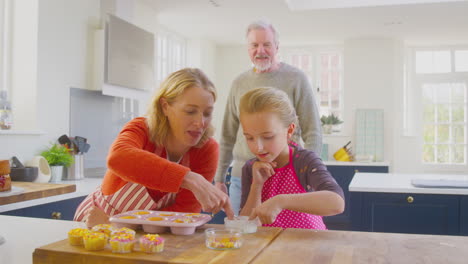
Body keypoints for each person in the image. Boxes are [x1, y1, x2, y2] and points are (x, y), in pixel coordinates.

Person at [74, 68, 234, 227]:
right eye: (190, 111)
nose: (200, 123)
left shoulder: (206, 150)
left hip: (138, 231)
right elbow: (118, 158)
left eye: (207, 113)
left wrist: (119, 225)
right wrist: (189, 178)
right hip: (95, 221)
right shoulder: (142, 129)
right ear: (165, 106)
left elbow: (183, 215)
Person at [215, 19, 323, 214]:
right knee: (244, 237)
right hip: (241, 177)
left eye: (266, 44)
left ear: (277, 46)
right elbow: (227, 135)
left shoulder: (296, 78)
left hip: (285, 176)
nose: (260, 50)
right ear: (248, 48)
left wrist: (309, 173)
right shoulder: (239, 83)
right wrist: (220, 178)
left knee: (288, 237)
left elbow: (313, 130)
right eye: (254, 45)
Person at [239, 87, 344, 229]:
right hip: (271, 247)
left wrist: (281, 201)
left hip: (310, 245)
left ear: (289, 130)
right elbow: (246, 224)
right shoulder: (250, 168)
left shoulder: (304, 161)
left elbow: (336, 203)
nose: (258, 147)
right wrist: (256, 186)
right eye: (250, 138)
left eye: (268, 137)